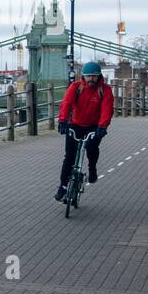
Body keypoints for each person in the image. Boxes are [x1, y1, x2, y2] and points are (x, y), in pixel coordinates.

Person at [55, 61, 113, 202]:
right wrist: (62, 121)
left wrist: (102, 127)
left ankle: (92, 168)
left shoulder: (104, 90)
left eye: (94, 76)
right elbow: (66, 103)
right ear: (83, 76)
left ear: (99, 76)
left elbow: (107, 109)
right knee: (69, 156)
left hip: (94, 126)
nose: (91, 79)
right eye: (88, 76)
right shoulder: (76, 87)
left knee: (91, 147)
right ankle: (62, 186)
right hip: (76, 124)